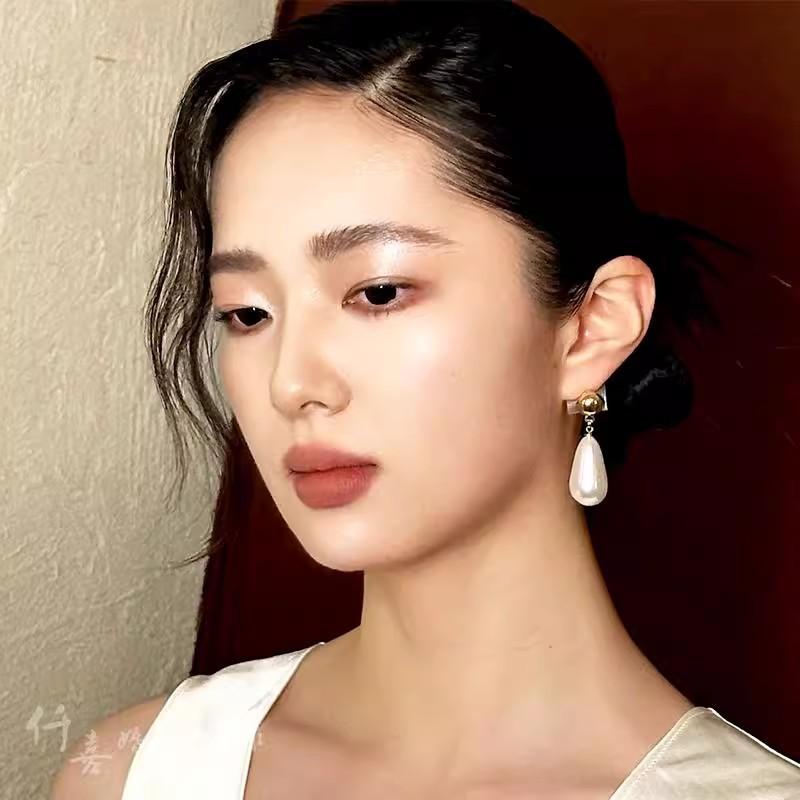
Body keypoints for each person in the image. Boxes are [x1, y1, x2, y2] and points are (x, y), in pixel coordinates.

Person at [52, 1, 800, 798]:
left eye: (378, 292)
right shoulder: (136, 767)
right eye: (247, 313)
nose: (291, 384)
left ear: (591, 328)